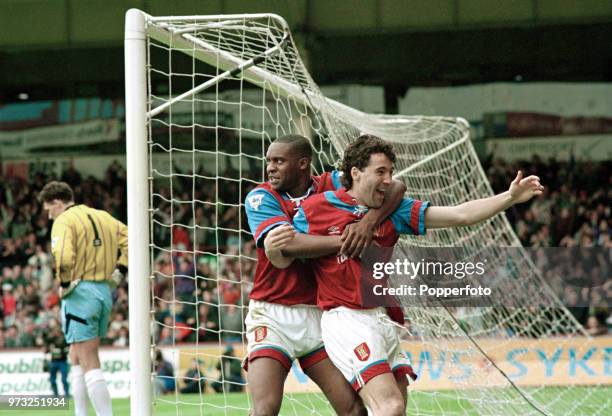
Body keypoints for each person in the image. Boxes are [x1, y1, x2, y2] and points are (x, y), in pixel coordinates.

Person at [267, 134, 544, 415]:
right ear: (356, 172)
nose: (388, 179)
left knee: (392, 409)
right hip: (346, 320)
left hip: (382, 318)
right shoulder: (317, 208)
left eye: (390, 172)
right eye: (380, 171)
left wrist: (509, 197)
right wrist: (272, 248)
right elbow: (286, 253)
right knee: (391, 406)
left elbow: (460, 215)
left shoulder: (393, 210)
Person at [244, 134, 406, 416]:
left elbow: (396, 187)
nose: (270, 167)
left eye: (279, 161)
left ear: (304, 163)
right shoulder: (261, 197)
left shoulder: (330, 184)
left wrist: (367, 223)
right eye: (269, 161)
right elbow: (290, 247)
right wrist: (350, 240)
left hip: (321, 315)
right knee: (266, 409)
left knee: (354, 410)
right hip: (272, 314)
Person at [39, 181, 128, 416]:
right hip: (103, 291)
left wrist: (65, 284)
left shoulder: (63, 221)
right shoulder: (103, 216)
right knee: (76, 355)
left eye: (49, 209)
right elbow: (131, 238)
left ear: (58, 203)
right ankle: (80, 413)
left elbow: (64, 258)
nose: (49, 216)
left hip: (80, 292)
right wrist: (121, 269)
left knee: (88, 357)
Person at [43, 319, 70, 396]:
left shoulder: (64, 339)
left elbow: (67, 349)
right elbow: (46, 349)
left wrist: (60, 350)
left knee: (64, 379)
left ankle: (67, 393)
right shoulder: (51, 339)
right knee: (52, 379)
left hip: (62, 361)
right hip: (53, 361)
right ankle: (55, 394)